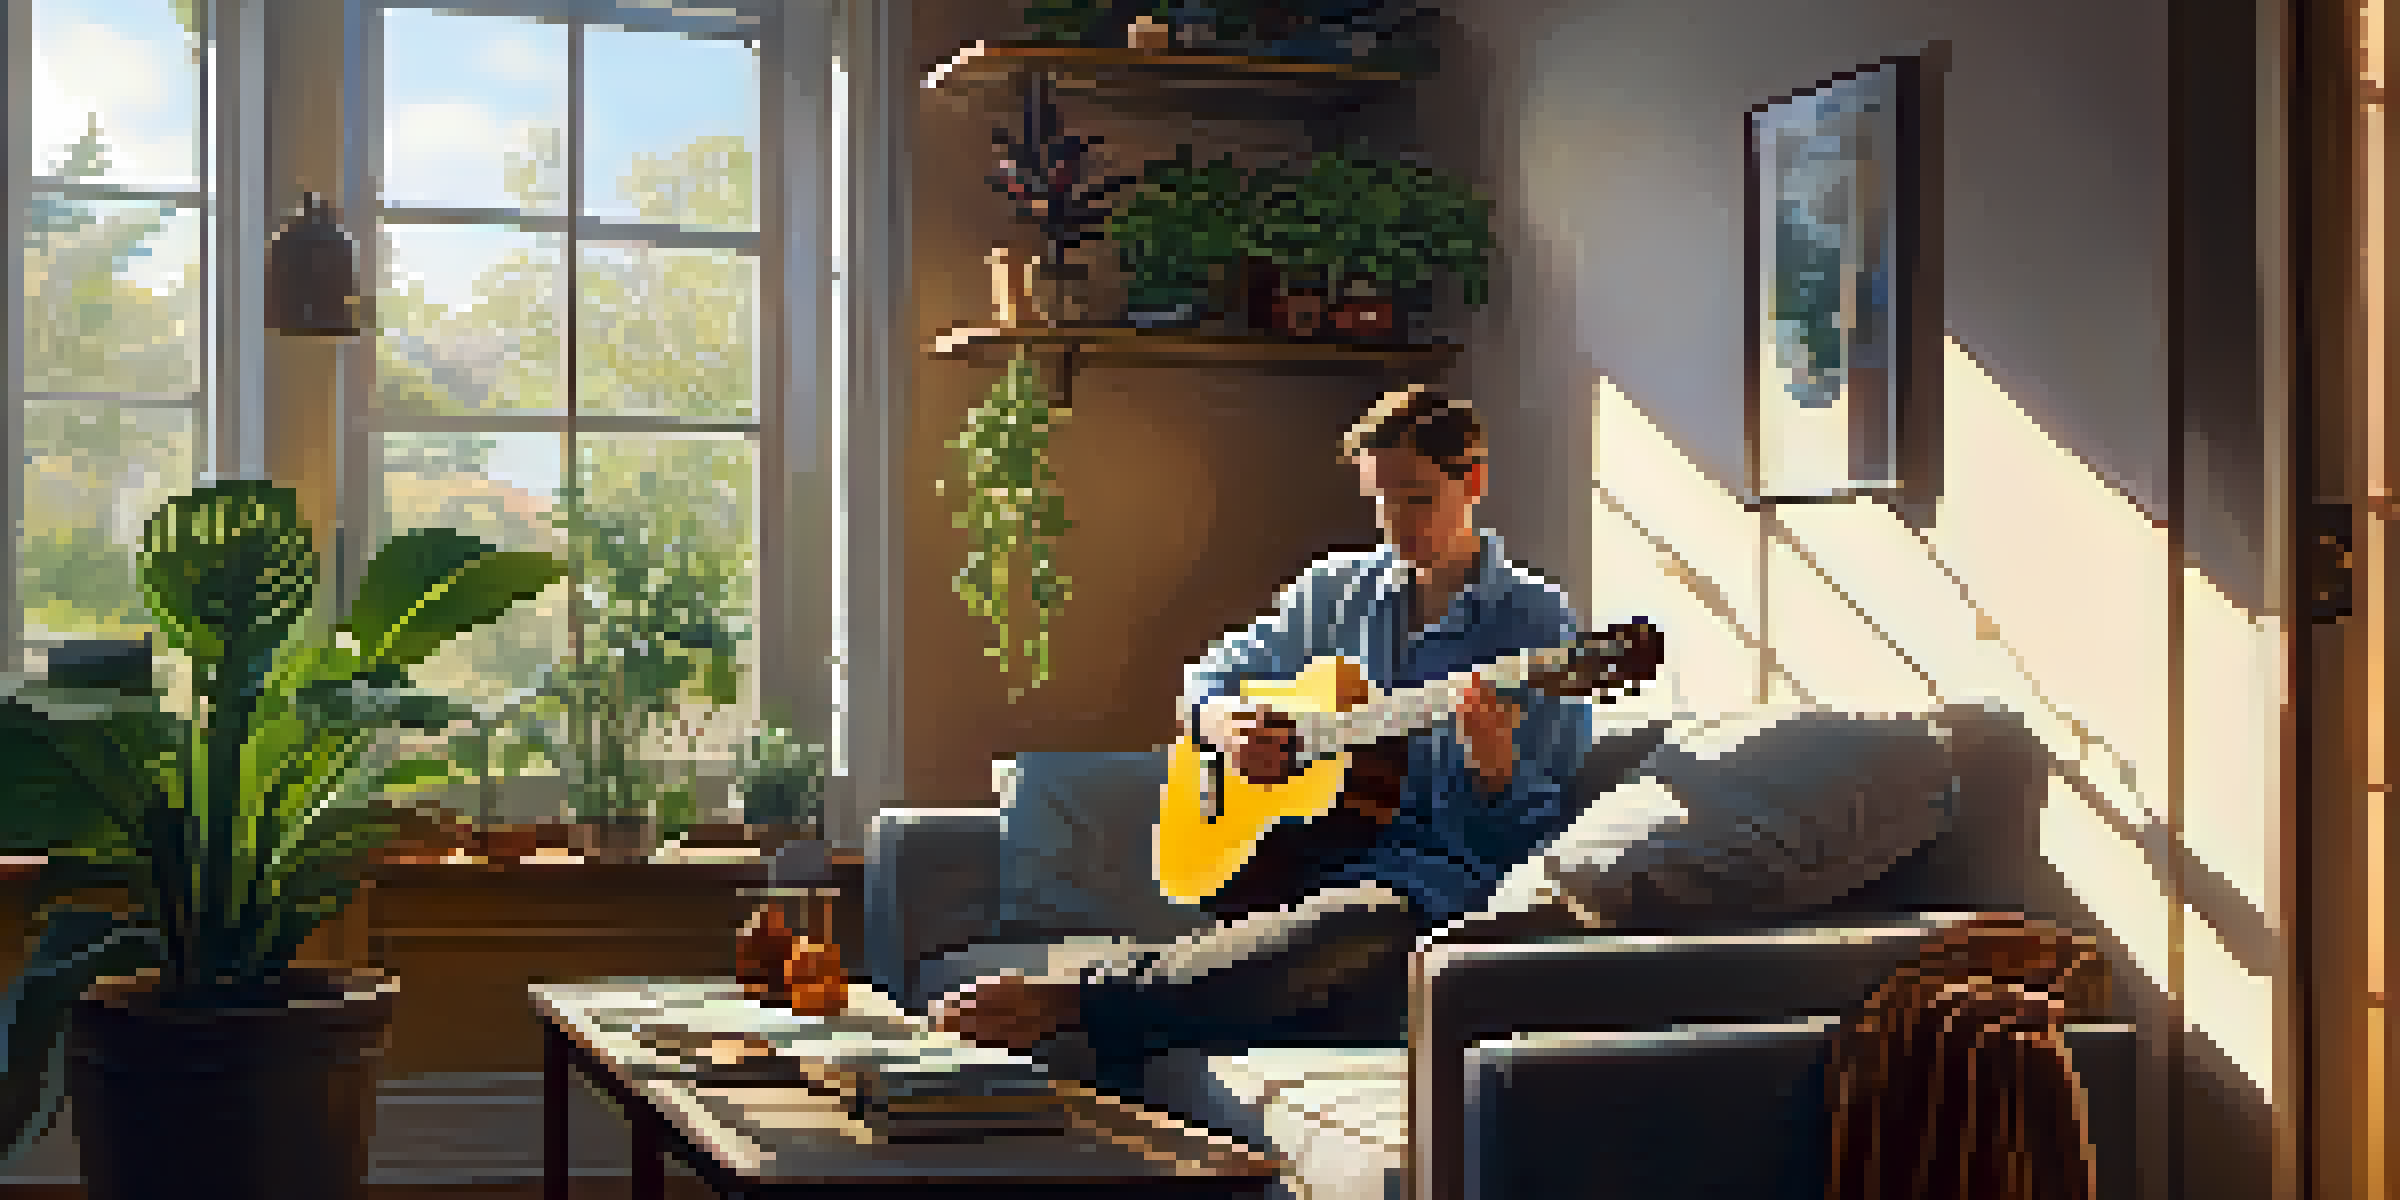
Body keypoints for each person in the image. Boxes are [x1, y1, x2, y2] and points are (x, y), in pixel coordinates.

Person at [930, 383, 1624, 1093]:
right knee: (1295, 953)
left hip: (1425, 893)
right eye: (1380, 500)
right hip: (1304, 865)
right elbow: (1204, 681)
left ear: (1471, 481)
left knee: (1347, 931)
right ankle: (1204, 1003)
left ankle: (1070, 1001)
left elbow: (1528, 844)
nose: (1396, 525)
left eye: (1417, 498)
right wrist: (1222, 726)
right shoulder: (1334, 592)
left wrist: (1494, 765)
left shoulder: (1536, 630)